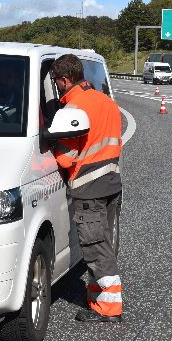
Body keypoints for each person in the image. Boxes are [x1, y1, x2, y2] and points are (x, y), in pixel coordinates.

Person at [49, 54, 123, 323]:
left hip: (89, 187)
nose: (56, 87)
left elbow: (66, 158)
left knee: (95, 247)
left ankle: (110, 308)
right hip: (112, 182)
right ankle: (96, 296)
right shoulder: (105, 102)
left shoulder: (73, 111)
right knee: (105, 243)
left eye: (56, 82)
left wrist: (50, 145)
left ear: (65, 79)